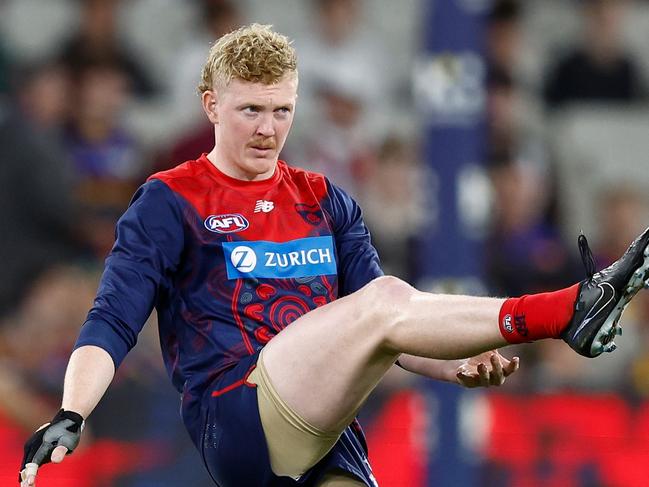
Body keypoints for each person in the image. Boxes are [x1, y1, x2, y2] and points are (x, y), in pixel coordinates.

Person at [19, 24, 649, 487]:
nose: (268, 129)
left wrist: (452, 366)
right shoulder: (169, 200)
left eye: (282, 111)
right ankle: (568, 309)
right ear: (211, 105)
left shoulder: (324, 200)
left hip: (325, 429)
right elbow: (112, 320)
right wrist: (73, 411)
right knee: (380, 298)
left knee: (383, 302)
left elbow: (389, 333)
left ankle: (565, 314)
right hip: (237, 414)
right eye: (251, 111)